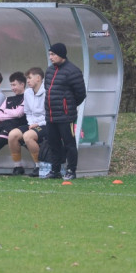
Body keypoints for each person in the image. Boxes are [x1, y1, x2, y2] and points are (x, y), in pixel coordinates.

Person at [44, 42, 87, 181]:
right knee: (53, 143)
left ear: (61, 55)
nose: (51, 57)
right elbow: (48, 90)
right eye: (50, 54)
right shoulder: (49, 71)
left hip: (66, 115)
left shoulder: (73, 71)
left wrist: (67, 106)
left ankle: (71, 170)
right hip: (50, 115)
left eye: (53, 54)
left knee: (69, 143)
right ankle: (55, 170)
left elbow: (80, 94)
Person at [8, 67, 46, 176]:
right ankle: (18, 166)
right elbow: (28, 112)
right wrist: (30, 124)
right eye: (27, 78)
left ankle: (39, 166)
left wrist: (37, 124)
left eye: (30, 78)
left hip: (46, 124)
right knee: (12, 135)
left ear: (38, 78)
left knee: (28, 136)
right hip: (31, 124)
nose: (27, 81)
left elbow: (50, 115)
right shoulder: (28, 93)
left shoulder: (48, 91)